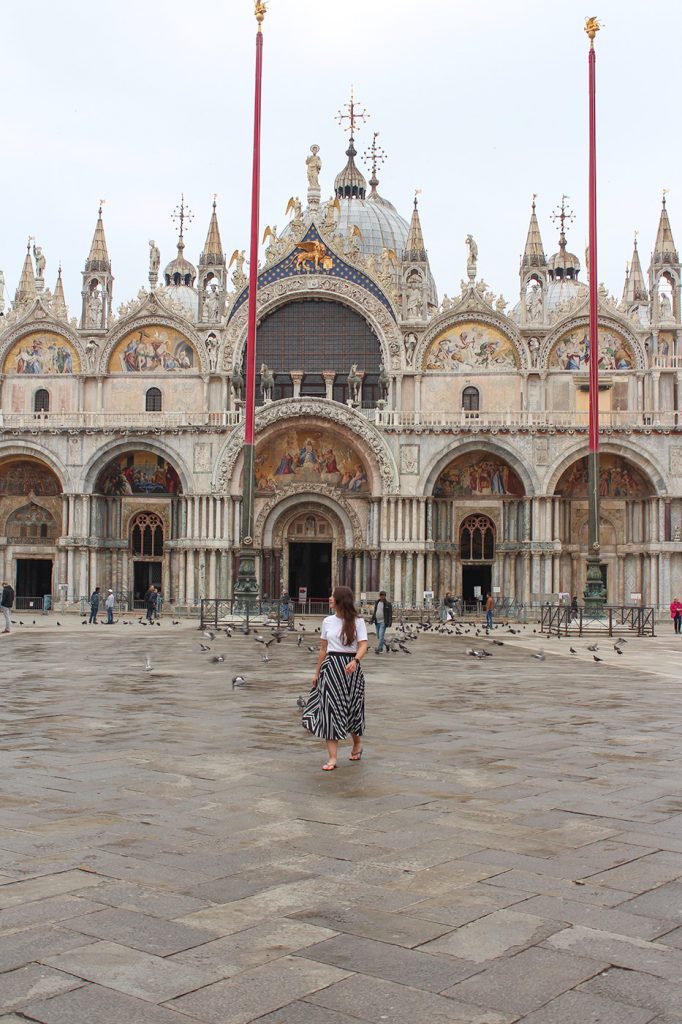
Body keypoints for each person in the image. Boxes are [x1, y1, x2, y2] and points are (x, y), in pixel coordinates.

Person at [308, 586, 368, 771]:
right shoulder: (327, 621)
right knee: (330, 712)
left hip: (350, 669)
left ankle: (357, 743)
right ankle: (332, 758)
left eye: (332, 596)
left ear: (341, 600)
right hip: (330, 668)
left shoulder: (357, 622)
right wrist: (317, 672)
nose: (329, 598)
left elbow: (364, 644)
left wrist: (355, 661)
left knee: (350, 711)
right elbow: (323, 649)